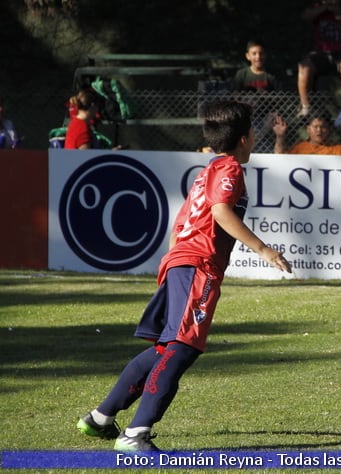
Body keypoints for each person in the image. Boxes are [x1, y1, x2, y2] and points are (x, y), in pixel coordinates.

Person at [75, 100, 292, 452]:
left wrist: (177, 264)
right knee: (182, 347)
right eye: (253, 133)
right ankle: (136, 434)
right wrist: (264, 250)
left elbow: (179, 227)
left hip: (181, 261)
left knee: (166, 346)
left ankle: (100, 417)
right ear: (245, 138)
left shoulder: (205, 172)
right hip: (197, 266)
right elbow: (221, 210)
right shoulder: (231, 170)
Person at [273, 113, 341, 155]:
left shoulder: (337, 149)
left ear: (328, 130)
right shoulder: (300, 148)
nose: (319, 130)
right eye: (315, 127)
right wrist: (280, 137)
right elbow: (279, 157)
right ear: (308, 129)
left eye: (323, 127)